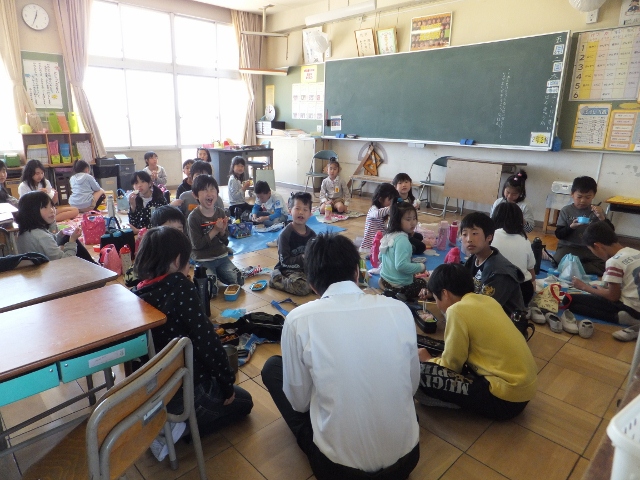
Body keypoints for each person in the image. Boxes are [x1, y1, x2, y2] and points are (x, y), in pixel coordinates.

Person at [261, 233, 420, 480]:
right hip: (407, 459)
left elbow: (300, 404)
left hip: (338, 472)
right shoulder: (399, 309)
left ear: (311, 283)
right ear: (357, 272)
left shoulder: (298, 320)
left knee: (272, 368)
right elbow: (411, 386)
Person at [132, 226, 253, 453]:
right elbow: (208, 342)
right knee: (245, 402)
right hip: (187, 390)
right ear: (177, 260)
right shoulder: (180, 287)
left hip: (153, 391)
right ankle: (180, 429)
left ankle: (163, 421)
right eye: (188, 261)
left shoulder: (135, 292)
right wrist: (226, 384)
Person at [417, 263, 537, 420]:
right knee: (441, 350)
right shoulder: (487, 300)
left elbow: (451, 366)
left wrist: (428, 360)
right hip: (523, 390)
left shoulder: (456, 310)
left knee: (419, 373)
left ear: (445, 294)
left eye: (435, 298)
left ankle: (459, 401)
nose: (437, 304)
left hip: (505, 400)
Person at [568, 221, 640, 341]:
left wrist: (585, 287)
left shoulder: (614, 262)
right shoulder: (635, 251)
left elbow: (613, 296)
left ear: (597, 246)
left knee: (570, 301)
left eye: (592, 250)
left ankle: (626, 317)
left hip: (632, 309)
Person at [461, 211, 525, 316]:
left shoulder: (500, 272)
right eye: (464, 234)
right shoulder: (474, 259)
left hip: (504, 321)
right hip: (481, 312)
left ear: (489, 237)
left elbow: (484, 309)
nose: (469, 239)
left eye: (475, 234)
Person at [187, 175, 243, 285]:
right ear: (195, 195)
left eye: (212, 189)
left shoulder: (220, 212)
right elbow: (197, 245)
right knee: (208, 288)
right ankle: (211, 278)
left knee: (238, 280)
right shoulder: (193, 217)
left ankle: (217, 276)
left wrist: (222, 231)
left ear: (217, 192)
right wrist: (215, 230)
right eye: (204, 190)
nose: (209, 193)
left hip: (221, 256)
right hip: (203, 259)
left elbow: (225, 241)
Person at [554, 176, 614, 276]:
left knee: (606, 265)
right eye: (579, 197)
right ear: (572, 194)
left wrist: (602, 217)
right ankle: (578, 266)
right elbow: (559, 234)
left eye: (588, 197)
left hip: (590, 248)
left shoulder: (597, 211)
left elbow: (611, 232)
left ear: (593, 196)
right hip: (569, 247)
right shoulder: (566, 210)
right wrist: (571, 227)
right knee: (557, 260)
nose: (583, 200)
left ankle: (574, 267)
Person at [15, 191, 94, 262]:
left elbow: (48, 243)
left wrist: (60, 235)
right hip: (51, 270)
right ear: (32, 211)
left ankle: (92, 264)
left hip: (38, 269)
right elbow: (65, 261)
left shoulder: (26, 231)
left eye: (52, 206)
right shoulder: (42, 236)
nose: (52, 210)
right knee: (70, 240)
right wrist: (72, 241)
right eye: (45, 207)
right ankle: (92, 266)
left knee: (65, 236)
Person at [379, 200, 428, 300]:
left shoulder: (389, 234)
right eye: (408, 219)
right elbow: (401, 266)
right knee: (424, 284)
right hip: (397, 286)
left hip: (384, 279)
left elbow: (380, 257)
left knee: (414, 277)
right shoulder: (403, 241)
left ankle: (387, 287)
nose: (413, 222)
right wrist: (421, 267)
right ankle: (399, 295)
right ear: (397, 221)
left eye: (414, 218)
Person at [269, 192, 316, 296]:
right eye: (297, 208)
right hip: (289, 270)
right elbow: (284, 262)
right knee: (303, 287)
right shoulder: (285, 235)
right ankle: (276, 279)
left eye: (305, 210)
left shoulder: (312, 235)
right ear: (290, 211)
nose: (301, 212)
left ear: (310, 214)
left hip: (306, 269)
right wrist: (302, 258)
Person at [490, 202, 536, 305]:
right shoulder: (525, 240)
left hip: (494, 292)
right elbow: (532, 276)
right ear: (520, 221)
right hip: (523, 293)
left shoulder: (489, 237)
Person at [359, 183, 397, 254]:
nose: (392, 203)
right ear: (380, 199)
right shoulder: (373, 209)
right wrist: (390, 208)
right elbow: (377, 214)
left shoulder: (384, 210)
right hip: (371, 244)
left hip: (380, 240)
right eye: (390, 200)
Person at [392, 173, 425, 254]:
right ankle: (405, 248)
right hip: (399, 232)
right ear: (395, 187)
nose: (404, 185)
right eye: (400, 183)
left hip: (407, 230)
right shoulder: (395, 201)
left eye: (406, 182)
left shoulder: (410, 199)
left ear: (410, 184)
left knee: (420, 237)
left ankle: (408, 242)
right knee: (421, 247)